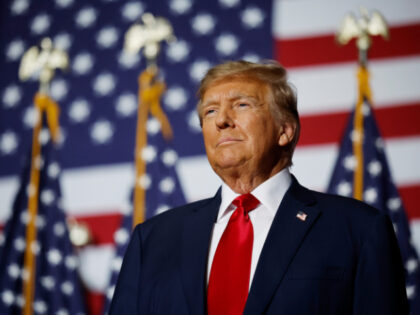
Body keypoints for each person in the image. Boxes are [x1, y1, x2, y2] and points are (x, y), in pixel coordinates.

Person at [109, 60, 408, 314]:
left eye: (241, 105)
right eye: (210, 111)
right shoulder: (153, 240)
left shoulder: (358, 229)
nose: (222, 120)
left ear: (284, 131)